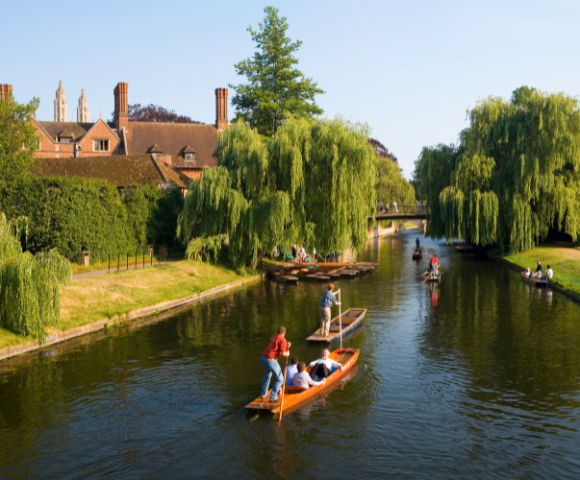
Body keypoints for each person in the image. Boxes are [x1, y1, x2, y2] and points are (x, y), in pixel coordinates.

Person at [260, 326, 291, 403]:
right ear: (284, 333)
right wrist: (288, 353)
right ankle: (273, 397)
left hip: (263, 358)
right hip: (270, 360)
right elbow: (284, 353)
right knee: (280, 379)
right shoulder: (283, 339)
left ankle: (263, 394)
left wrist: (287, 345)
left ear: (277, 332)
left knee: (267, 375)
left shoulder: (274, 336)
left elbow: (277, 347)